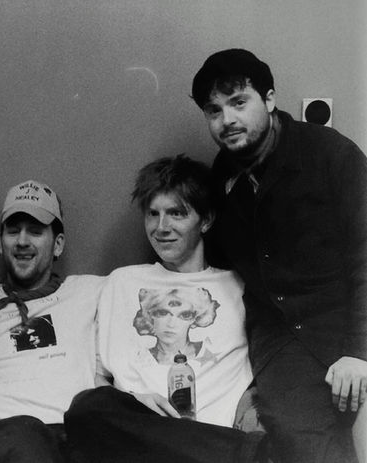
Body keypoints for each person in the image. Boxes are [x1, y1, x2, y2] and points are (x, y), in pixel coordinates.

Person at [192, 48, 367, 463]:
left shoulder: (330, 154)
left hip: (344, 320)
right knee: (298, 435)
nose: (227, 120)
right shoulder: (222, 175)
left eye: (239, 102)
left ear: (269, 99)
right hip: (279, 337)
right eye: (214, 110)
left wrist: (359, 350)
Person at [65, 155, 264, 463]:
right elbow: (96, 376)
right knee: (86, 406)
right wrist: (133, 401)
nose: (161, 227)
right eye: (152, 214)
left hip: (207, 438)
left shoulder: (237, 287)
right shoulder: (121, 282)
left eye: (176, 213)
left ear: (206, 220)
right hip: (136, 443)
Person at [0, 180, 104, 463]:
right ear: (0, 243)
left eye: (35, 231)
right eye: (13, 231)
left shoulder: (91, 291)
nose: (22, 241)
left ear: (58, 244)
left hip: (71, 439)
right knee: (26, 438)